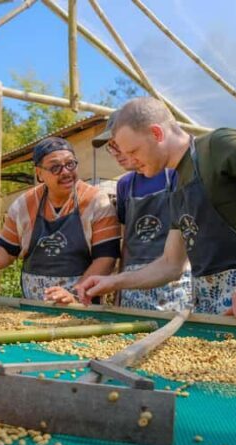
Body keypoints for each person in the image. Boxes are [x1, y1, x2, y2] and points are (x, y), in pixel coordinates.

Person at [79, 97, 236, 318]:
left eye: (134, 151)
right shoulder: (176, 185)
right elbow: (170, 265)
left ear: (156, 133)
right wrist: (113, 282)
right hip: (214, 304)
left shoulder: (218, 145)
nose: (130, 161)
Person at [0, 137, 120, 304]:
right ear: (39, 173)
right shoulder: (23, 206)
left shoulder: (96, 202)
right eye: (55, 167)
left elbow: (106, 258)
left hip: (83, 307)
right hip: (32, 307)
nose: (65, 172)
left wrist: (76, 294)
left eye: (70, 164)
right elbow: (6, 252)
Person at [92, 111, 192, 311]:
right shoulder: (124, 185)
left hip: (173, 277)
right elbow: (126, 240)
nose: (117, 153)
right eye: (111, 147)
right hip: (132, 280)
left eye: (118, 145)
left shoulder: (174, 174)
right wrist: (119, 289)